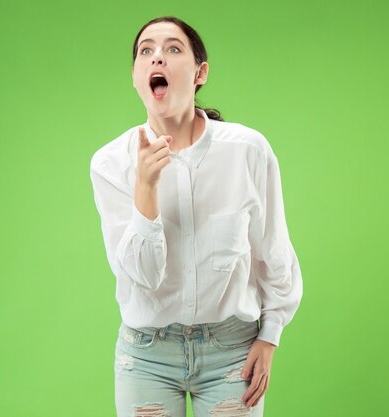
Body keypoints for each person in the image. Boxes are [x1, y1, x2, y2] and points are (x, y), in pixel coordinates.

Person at [89, 15, 303, 417]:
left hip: (231, 353)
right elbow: (144, 276)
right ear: (136, 76)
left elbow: (273, 251)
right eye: (146, 51)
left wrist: (270, 335)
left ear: (200, 72)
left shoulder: (248, 151)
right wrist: (146, 189)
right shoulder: (111, 164)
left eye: (173, 49)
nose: (157, 59)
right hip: (147, 356)